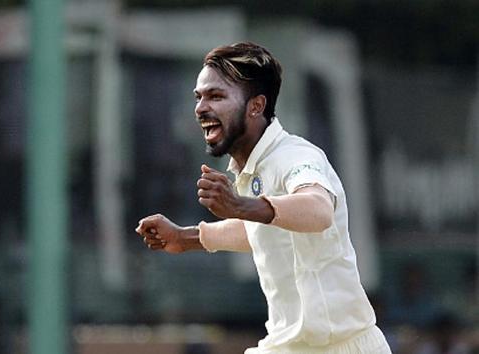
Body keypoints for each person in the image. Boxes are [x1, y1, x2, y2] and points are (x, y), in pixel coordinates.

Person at [135, 42, 391, 353]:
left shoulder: (294, 155)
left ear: (256, 106)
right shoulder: (253, 168)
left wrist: (239, 205)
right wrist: (186, 237)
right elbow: (265, 228)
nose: (201, 108)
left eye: (216, 96)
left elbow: (319, 209)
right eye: (199, 97)